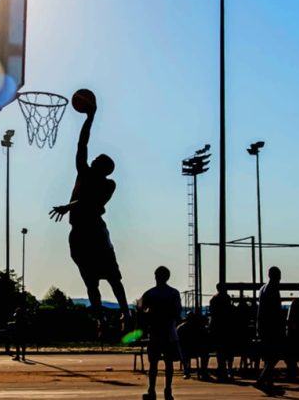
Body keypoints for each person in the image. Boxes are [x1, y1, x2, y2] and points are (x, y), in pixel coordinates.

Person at [49, 92, 131, 332]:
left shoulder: (108, 185)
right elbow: (82, 143)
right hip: (78, 232)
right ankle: (100, 318)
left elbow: (89, 203)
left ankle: (125, 313)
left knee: (113, 278)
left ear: (104, 169)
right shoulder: (84, 172)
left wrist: (67, 206)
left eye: (97, 161)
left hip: (95, 231)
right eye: (93, 159)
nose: (92, 160)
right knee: (90, 281)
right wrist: (90, 118)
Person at [138, 266, 182, 400]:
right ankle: (168, 390)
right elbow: (177, 312)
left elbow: (140, 309)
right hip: (169, 332)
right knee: (169, 364)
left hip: (155, 333)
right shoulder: (174, 293)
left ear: (156, 276)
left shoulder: (150, 293)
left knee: (153, 364)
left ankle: (151, 390)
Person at [255, 266, 286, 395]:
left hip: (263, 326)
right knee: (275, 354)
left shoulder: (263, 288)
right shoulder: (273, 289)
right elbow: (275, 311)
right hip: (271, 327)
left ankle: (268, 381)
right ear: (276, 276)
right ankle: (263, 379)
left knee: (269, 355)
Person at [209, 282, 234, 381]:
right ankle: (228, 369)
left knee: (220, 351)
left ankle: (221, 369)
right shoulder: (226, 298)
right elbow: (229, 312)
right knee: (228, 350)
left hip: (216, 327)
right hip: (225, 327)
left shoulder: (214, 299)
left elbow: (212, 312)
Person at [177, 311, 210, 380]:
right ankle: (203, 371)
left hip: (187, 350)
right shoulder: (200, 327)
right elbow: (205, 338)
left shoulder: (181, 327)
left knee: (183, 352)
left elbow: (178, 339)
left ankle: (186, 371)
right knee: (205, 353)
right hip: (197, 349)